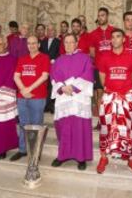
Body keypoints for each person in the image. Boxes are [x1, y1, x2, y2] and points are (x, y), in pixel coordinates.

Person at [97, 28, 132, 178]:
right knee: (105, 127)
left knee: (131, 128)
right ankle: (104, 157)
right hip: (109, 97)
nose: (115, 39)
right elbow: (102, 77)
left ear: (123, 39)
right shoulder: (104, 57)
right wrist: (112, 90)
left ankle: (131, 159)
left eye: (118, 37)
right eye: (113, 37)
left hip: (127, 97)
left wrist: (126, 89)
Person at [50, 33, 94, 170]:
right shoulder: (59, 60)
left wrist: (73, 87)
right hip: (64, 98)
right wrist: (62, 87)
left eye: (71, 42)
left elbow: (88, 75)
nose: (68, 45)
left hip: (79, 98)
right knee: (64, 127)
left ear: (76, 43)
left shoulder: (85, 58)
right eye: (66, 42)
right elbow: (54, 78)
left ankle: (81, 158)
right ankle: (62, 155)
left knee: (79, 128)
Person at [10, 36, 50, 161]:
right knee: (23, 124)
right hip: (22, 97)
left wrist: (29, 89)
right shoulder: (22, 59)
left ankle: (35, 152)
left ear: (38, 44)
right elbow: (16, 76)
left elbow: (44, 76)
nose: (31, 45)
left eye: (34, 43)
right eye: (29, 43)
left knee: (36, 125)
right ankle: (22, 150)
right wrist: (23, 89)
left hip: (37, 97)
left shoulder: (44, 58)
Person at [89, 7, 114, 117]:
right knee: (99, 93)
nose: (100, 17)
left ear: (107, 16)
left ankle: (111, 118)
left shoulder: (114, 31)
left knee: (112, 93)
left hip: (112, 68)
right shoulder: (93, 34)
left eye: (103, 15)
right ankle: (101, 120)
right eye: (99, 16)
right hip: (99, 68)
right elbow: (92, 53)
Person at [40, 24, 60, 113]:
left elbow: (60, 53)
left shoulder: (58, 42)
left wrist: (54, 60)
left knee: (52, 87)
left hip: (54, 67)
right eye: (48, 30)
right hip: (44, 67)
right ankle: (45, 106)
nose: (50, 32)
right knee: (45, 86)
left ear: (55, 32)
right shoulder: (43, 42)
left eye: (51, 30)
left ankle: (52, 106)